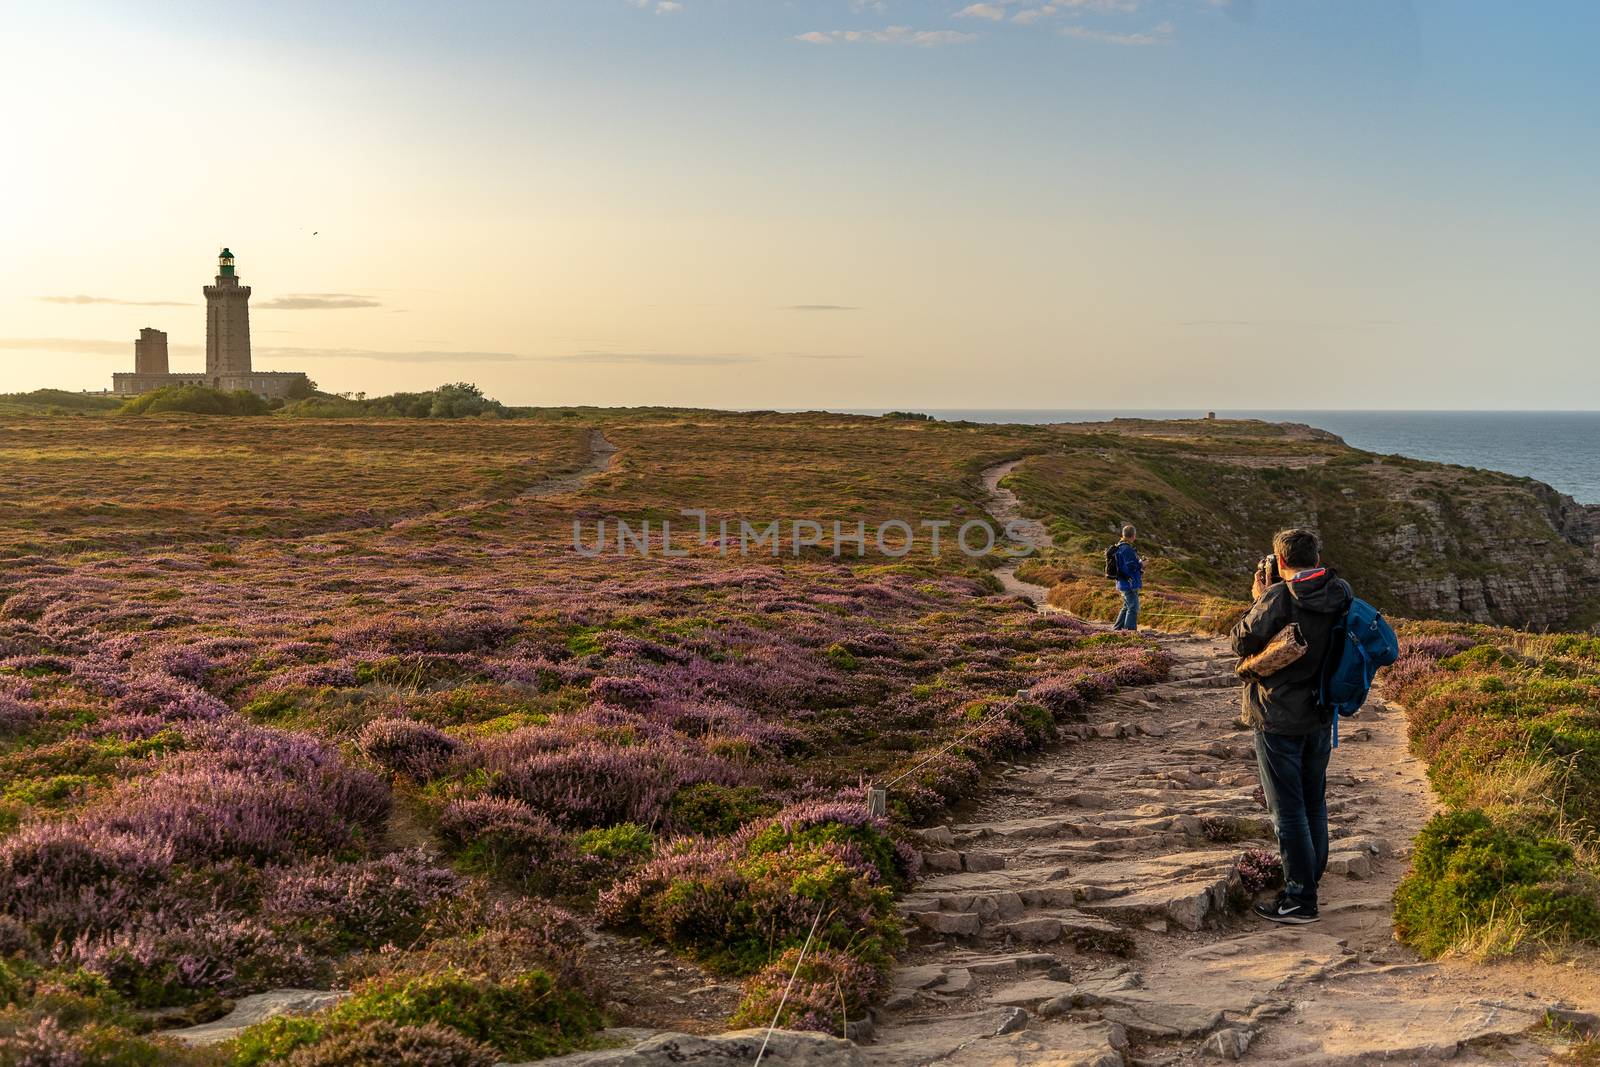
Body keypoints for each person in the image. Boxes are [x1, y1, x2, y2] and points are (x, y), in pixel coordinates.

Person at [1230, 527, 1352, 925]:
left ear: (1281, 562)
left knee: (1288, 811)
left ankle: (1300, 900)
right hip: (1321, 712)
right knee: (1313, 801)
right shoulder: (1340, 592)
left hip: (1278, 715)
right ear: (1317, 557)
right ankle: (1309, 879)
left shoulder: (1279, 596)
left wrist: (1260, 597)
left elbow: (1240, 642)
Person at [1111, 524, 1142, 631]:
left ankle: (1117, 628)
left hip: (1122, 582)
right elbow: (1131, 567)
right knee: (1133, 607)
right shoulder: (1127, 549)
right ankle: (1129, 632)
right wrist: (1142, 564)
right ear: (1133, 536)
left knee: (1126, 606)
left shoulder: (1119, 546)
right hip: (1130, 583)